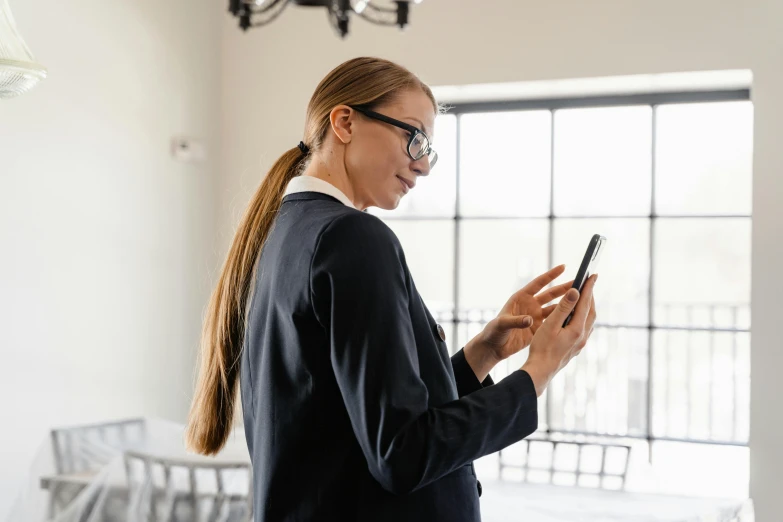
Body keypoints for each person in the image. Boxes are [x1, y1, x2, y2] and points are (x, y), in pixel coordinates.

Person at [185, 56, 598, 522]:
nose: (422, 166)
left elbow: (359, 415)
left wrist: (486, 350)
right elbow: (403, 454)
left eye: (428, 150)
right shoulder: (353, 238)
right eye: (413, 138)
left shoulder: (282, 230)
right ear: (344, 122)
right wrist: (540, 370)